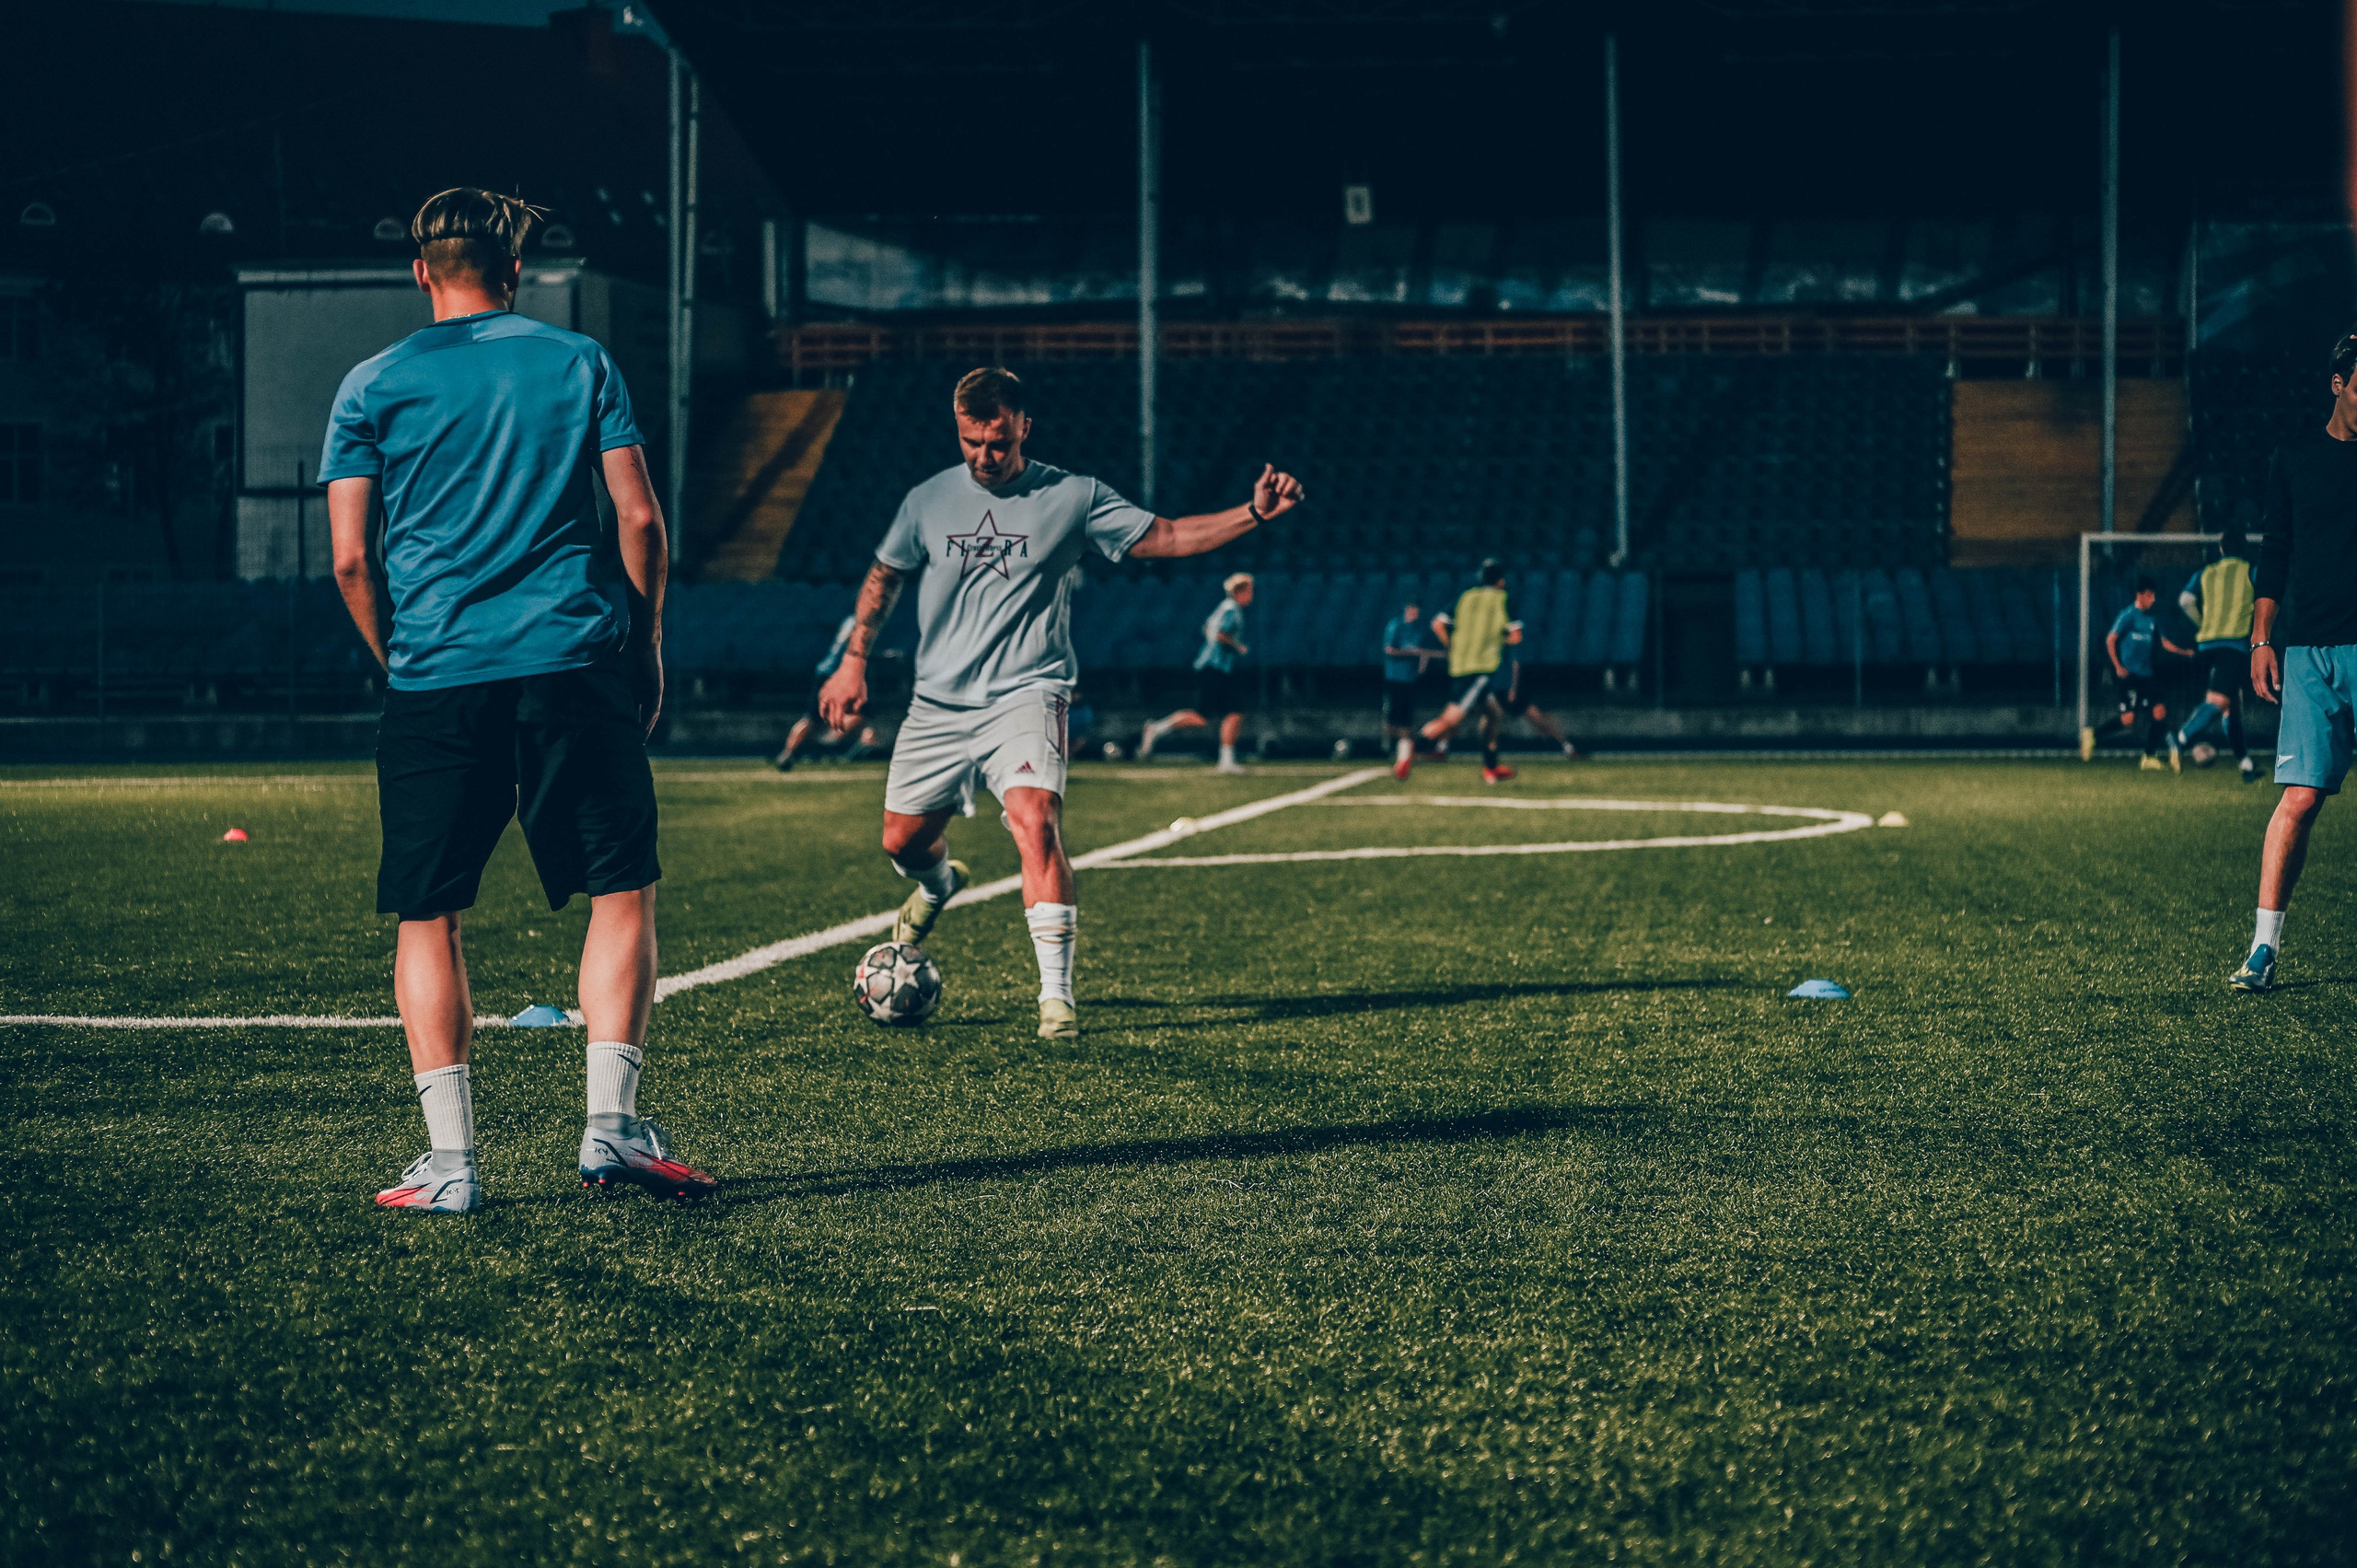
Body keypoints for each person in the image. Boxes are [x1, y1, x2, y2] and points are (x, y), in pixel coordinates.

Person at [322, 187, 714, 1214]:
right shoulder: (578, 360)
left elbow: (353, 559)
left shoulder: (370, 384)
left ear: (422, 273)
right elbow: (638, 518)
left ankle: (450, 1163)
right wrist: (648, 647)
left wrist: (398, 659)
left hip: (436, 676)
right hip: (571, 663)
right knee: (619, 889)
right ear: (515, 273)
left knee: (429, 911)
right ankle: (612, 1132)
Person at [819, 367, 1302, 1040]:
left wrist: (1251, 514)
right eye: (971, 442)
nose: (984, 457)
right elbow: (885, 574)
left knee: (1035, 819)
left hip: (1029, 690)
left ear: (1023, 428)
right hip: (938, 703)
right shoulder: (927, 499)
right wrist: (853, 661)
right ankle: (935, 886)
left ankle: (1057, 999)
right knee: (902, 840)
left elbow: (1166, 536)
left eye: (998, 442)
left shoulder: (1072, 495)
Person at [2232, 329, 2357, 992]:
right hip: (2309, 652)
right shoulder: (2295, 456)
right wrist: (2261, 640)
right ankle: (2262, 947)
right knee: (2300, 798)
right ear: (2338, 385)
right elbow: (2275, 552)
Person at [1418, 560, 1581, 784]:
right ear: (1501, 580)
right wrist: (1511, 679)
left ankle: (1488, 765)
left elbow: (1437, 623)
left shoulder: (1465, 599)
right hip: (1491, 675)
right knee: (1457, 717)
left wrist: (1452, 646)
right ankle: (1414, 745)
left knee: (1490, 717)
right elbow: (1515, 640)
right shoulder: (1502, 601)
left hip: (1475, 671)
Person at [1139, 574, 1254, 773]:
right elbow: (1220, 634)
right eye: (1249, 590)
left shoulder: (1225, 607)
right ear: (1240, 591)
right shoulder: (1231, 609)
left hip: (1216, 668)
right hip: (1214, 668)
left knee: (1232, 712)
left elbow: (1207, 628)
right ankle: (1157, 729)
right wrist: (1238, 647)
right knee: (1206, 716)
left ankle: (1226, 761)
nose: (1251, 595)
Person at [2174, 530, 2261, 781]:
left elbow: (2185, 600)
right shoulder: (2249, 572)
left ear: (2221, 548)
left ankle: (2246, 766)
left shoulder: (2207, 572)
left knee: (2231, 706)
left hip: (2206, 646)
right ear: (2243, 549)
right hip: (2232, 646)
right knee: (2220, 701)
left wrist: (2203, 623)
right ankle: (2180, 738)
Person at [2082, 576, 2192, 770]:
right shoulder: (2128, 615)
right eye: (2150, 595)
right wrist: (2117, 666)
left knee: (2160, 713)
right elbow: (2110, 639)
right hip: (2129, 676)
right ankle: (2092, 734)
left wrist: (2184, 652)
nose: (2153, 599)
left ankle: (2148, 757)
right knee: (2128, 721)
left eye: (2154, 595)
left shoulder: (2151, 619)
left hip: (2147, 676)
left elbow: (2163, 642)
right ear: (2139, 595)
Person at [772, 612, 856, 771]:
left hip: (827, 670)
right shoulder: (861, 622)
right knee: (857, 714)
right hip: (836, 674)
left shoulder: (849, 620)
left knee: (813, 718)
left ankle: (788, 753)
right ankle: (826, 744)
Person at [1381, 599, 1437, 780]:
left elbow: (1423, 653)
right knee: (1392, 720)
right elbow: (1389, 649)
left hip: (1410, 679)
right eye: (1413, 608)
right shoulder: (1396, 626)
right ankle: (1390, 747)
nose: (1415, 612)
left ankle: (1403, 751)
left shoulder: (1419, 629)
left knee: (1407, 719)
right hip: (1395, 678)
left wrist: (1422, 662)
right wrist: (1412, 653)